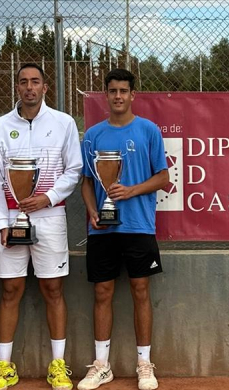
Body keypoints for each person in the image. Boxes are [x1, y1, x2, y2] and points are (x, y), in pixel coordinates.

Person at [0, 63, 82, 390]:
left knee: (53, 289)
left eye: (35, 82)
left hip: (50, 217)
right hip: (11, 219)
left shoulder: (64, 123)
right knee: (10, 290)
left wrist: (48, 198)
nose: (29, 87)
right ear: (17, 87)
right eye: (23, 82)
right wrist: (0, 222)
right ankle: (4, 367)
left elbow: (74, 169)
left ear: (45, 87)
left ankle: (57, 365)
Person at [77, 69, 169, 390]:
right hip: (103, 229)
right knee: (102, 292)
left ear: (133, 95)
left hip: (139, 226)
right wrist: (91, 210)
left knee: (140, 290)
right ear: (106, 95)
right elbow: (87, 183)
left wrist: (131, 190)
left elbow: (163, 178)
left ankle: (144, 363)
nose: (118, 96)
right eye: (112, 91)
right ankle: (102, 365)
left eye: (123, 91)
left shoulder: (148, 131)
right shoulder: (92, 136)